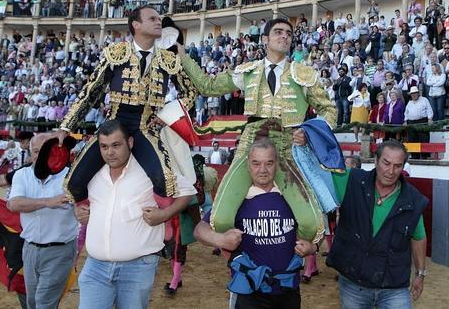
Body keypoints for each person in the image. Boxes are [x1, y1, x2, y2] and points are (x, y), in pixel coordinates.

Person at [180, 18, 336, 242]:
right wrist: (184, 56)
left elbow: (329, 109)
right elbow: (208, 86)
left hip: (287, 147)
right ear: (265, 39)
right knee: (221, 220)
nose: (284, 36)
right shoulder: (248, 71)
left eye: (289, 34)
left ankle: (285, 256)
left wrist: (309, 133)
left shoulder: (303, 74)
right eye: (278, 32)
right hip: (251, 144)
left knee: (311, 226)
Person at [54, 6, 199, 204]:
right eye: (153, 18)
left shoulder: (169, 59)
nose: (159, 22)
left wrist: (167, 114)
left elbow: (190, 92)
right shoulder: (116, 53)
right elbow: (91, 91)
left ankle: (158, 225)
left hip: (146, 129)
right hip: (113, 126)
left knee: (165, 182)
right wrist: (67, 125)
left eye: (159, 19)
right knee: (74, 184)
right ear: (136, 25)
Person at [74, 120, 195, 309]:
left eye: (116, 145)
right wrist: (77, 209)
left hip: (137, 268)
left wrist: (164, 215)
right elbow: (78, 198)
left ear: (130, 142)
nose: (109, 152)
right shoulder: (92, 173)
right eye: (104, 146)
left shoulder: (150, 169)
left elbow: (187, 191)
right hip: (95, 267)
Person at [194, 138, 317, 309]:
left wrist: (312, 248)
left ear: (277, 164)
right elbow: (200, 230)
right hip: (249, 291)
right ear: (248, 165)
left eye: (269, 163)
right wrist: (220, 240)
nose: (262, 170)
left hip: (288, 289)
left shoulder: (293, 197)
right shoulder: (236, 198)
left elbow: (319, 236)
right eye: (256, 163)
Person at [326, 140, 428, 309]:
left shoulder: (414, 200)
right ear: (375, 160)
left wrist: (420, 274)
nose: (391, 171)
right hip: (353, 284)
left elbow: (418, 237)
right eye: (386, 163)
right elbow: (317, 171)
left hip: (394, 287)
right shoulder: (351, 180)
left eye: (397, 166)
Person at [7, 133, 78, 309]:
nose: (41, 155)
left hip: (60, 250)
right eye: (37, 151)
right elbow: (13, 204)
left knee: (44, 302)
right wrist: (47, 202)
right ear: (31, 152)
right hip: (30, 249)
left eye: (46, 150)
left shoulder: (70, 176)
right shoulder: (22, 174)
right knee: (33, 301)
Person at [403, 86, 433, 158]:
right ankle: (414, 156)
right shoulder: (409, 103)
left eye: (415, 93)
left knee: (424, 139)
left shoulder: (424, 100)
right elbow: (406, 113)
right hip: (411, 122)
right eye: (412, 94)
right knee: (412, 139)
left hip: (422, 121)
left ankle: (425, 156)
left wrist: (430, 118)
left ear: (418, 93)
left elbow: (429, 109)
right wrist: (405, 120)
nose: (414, 95)